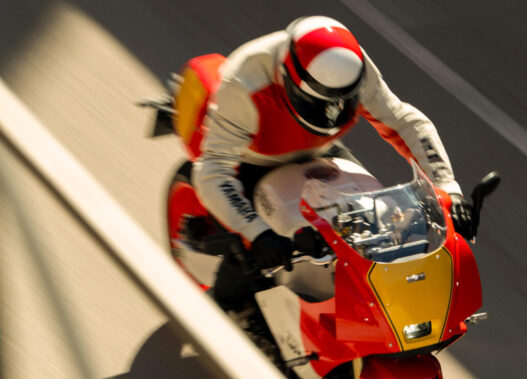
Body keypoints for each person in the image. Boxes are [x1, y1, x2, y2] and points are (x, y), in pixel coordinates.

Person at [191, 15, 474, 314]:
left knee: (378, 224)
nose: (331, 112)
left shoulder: (354, 69)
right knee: (249, 258)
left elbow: (403, 121)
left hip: (321, 151)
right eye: (319, 103)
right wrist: (258, 233)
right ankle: (212, 311)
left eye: (340, 103)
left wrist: (447, 189)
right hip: (252, 161)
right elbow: (212, 169)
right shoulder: (244, 83)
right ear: (287, 78)